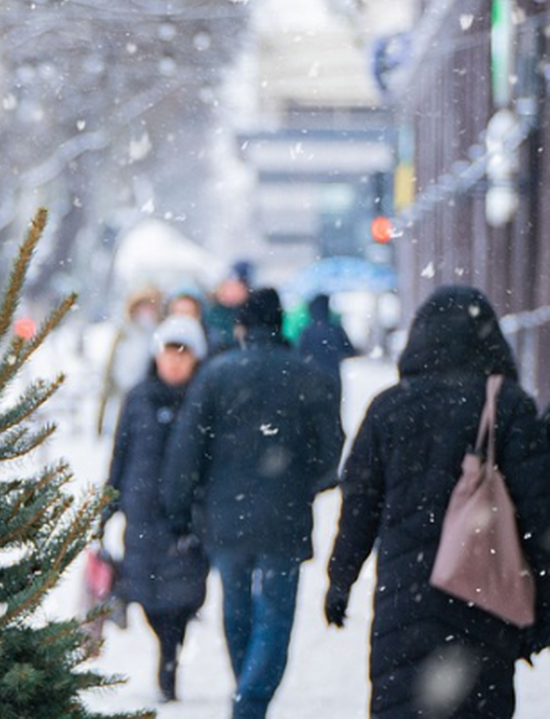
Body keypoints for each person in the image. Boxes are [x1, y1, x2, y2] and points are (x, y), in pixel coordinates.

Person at [324, 285, 550, 719]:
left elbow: (359, 506)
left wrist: (341, 579)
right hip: (484, 602)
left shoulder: (387, 409)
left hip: (403, 606)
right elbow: (537, 514)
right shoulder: (507, 406)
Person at [162, 287, 344, 719]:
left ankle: (246, 692)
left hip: (226, 516)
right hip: (284, 515)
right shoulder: (307, 375)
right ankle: (252, 698)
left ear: (241, 326)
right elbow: (330, 448)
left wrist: (179, 507)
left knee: (237, 609)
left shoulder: (215, 376)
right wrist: (303, 484)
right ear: (280, 325)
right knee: (276, 616)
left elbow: (187, 448)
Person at [103, 314, 210, 703]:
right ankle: (166, 651)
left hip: (186, 517)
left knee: (183, 598)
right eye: (169, 353)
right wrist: (107, 504)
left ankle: (170, 658)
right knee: (146, 595)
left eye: (184, 354)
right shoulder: (138, 397)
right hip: (141, 512)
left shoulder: (204, 398)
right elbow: (120, 453)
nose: (175, 362)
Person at [96, 287, 164, 436]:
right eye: (142, 306)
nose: (146, 312)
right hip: (120, 394)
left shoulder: (159, 335)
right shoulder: (124, 333)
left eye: (150, 307)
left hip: (146, 398)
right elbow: (111, 368)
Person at [296, 293, 356, 396]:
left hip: (312, 377)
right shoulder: (336, 329)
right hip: (333, 377)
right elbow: (350, 351)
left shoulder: (307, 331)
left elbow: (299, 354)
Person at [202, 261, 252, 356]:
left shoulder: (249, 315)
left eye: (237, 286)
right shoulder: (210, 311)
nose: (230, 291)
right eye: (228, 285)